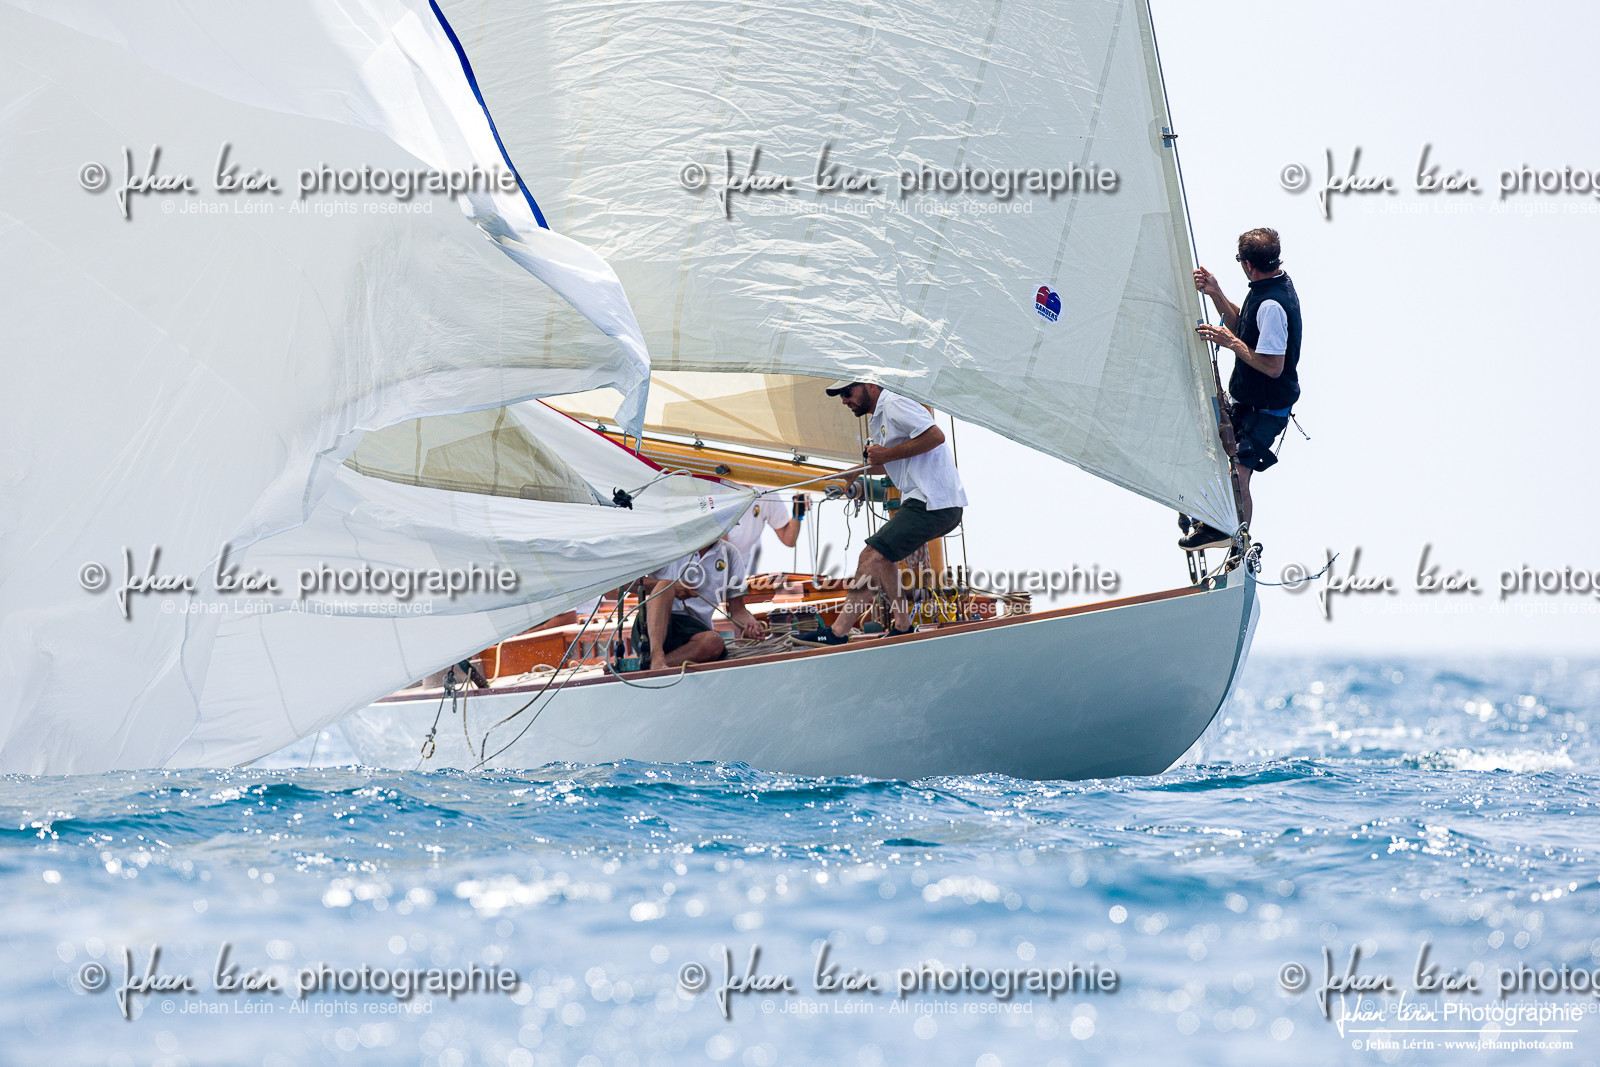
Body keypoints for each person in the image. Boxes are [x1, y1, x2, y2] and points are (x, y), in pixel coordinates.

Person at [795, 381, 966, 645]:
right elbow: (895, 461)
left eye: (846, 392)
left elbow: (935, 437)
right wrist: (855, 472)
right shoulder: (880, 418)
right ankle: (903, 625)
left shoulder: (895, 404)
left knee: (871, 556)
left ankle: (837, 633)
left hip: (933, 502)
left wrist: (886, 453)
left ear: (870, 386)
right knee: (883, 558)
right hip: (929, 503)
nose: (843, 400)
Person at [1186, 226, 1303, 551]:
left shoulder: (1272, 305)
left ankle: (1235, 540)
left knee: (1239, 471)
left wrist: (1231, 342)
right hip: (1248, 401)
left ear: (1248, 264)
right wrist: (1215, 292)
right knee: (1214, 458)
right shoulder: (1266, 285)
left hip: (1267, 410)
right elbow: (1246, 326)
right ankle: (1213, 524)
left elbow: (1273, 366)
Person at [634, 539, 765, 669]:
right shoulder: (667, 542)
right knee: (665, 586)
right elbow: (622, 585)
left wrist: (751, 623)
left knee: (714, 641)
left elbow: (738, 610)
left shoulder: (730, 553)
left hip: (694, 630)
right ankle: (656, 656)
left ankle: (656, 665)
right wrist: (672, 586)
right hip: (652, 625)